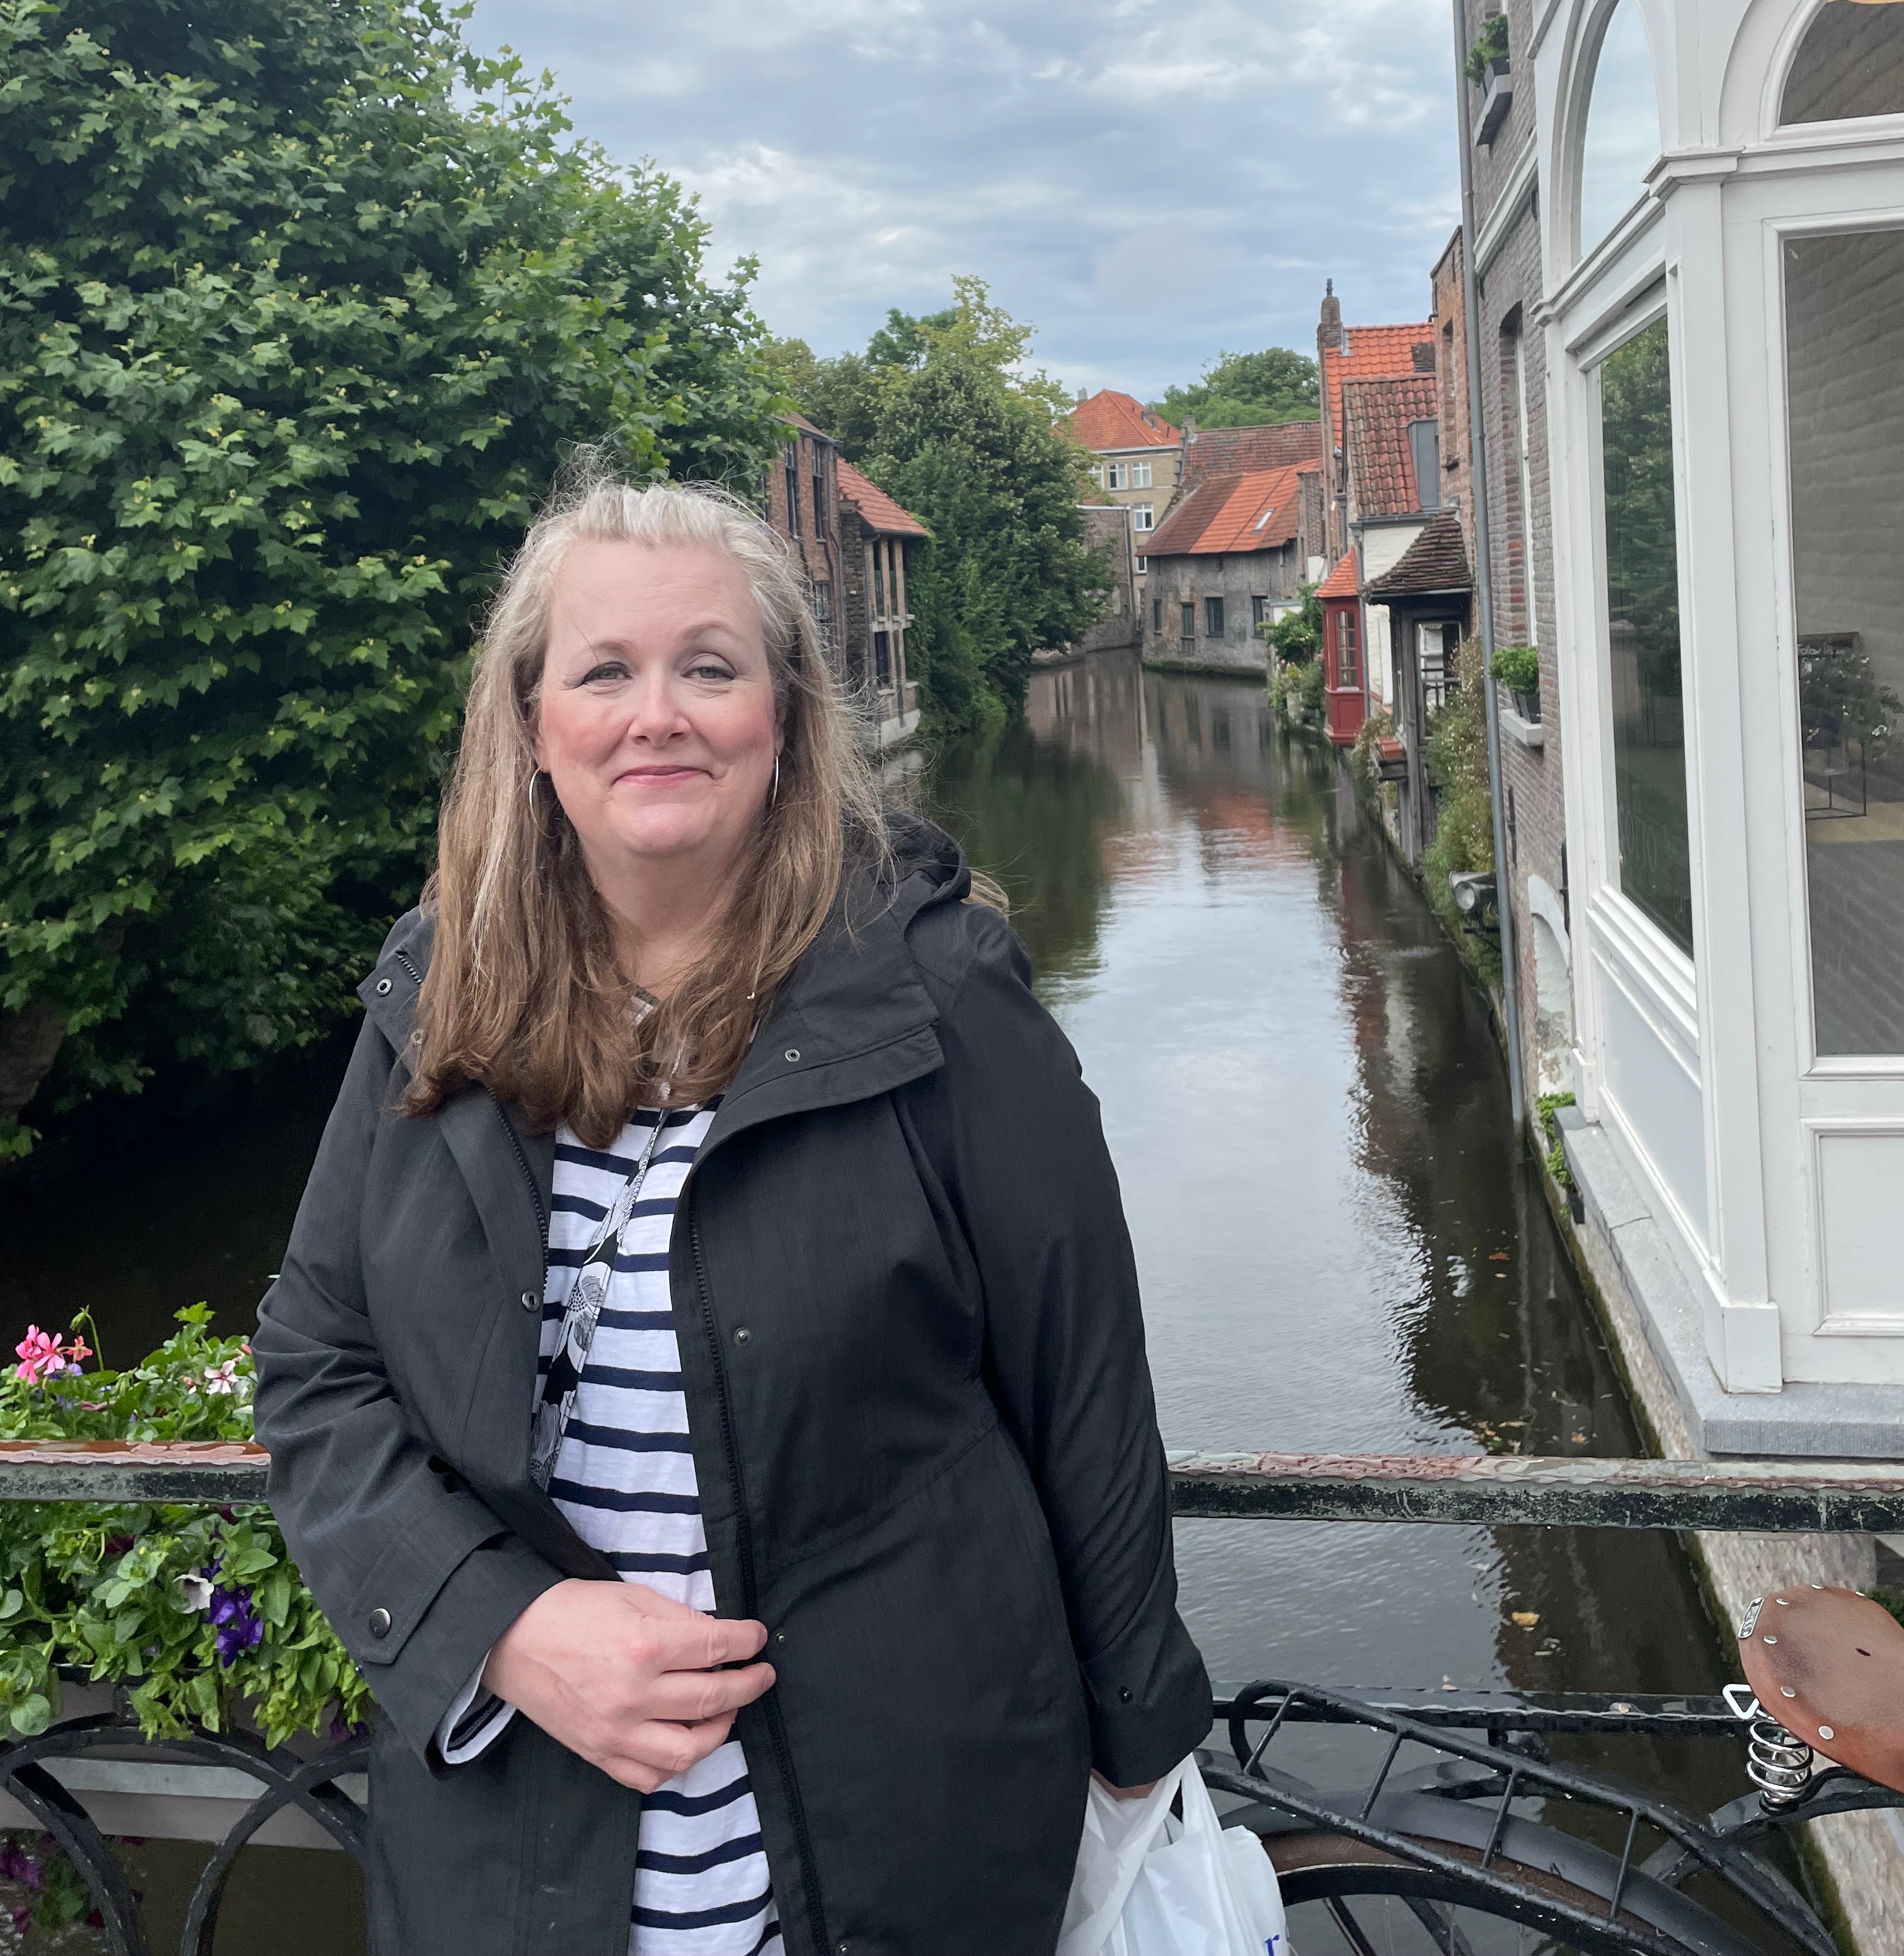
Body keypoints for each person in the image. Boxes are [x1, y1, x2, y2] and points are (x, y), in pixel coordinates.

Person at [253, 469, 1209, 1956]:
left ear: (785, 718)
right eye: (605, 673)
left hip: (911, 1844)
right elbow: (318, 1363)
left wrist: (1136, 1751)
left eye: (710, 667)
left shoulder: (936, 992)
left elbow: (1083, 1382)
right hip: (515, 1869)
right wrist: (498, 1628)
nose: (659, 715)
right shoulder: (439, 999)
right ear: (533, 724)